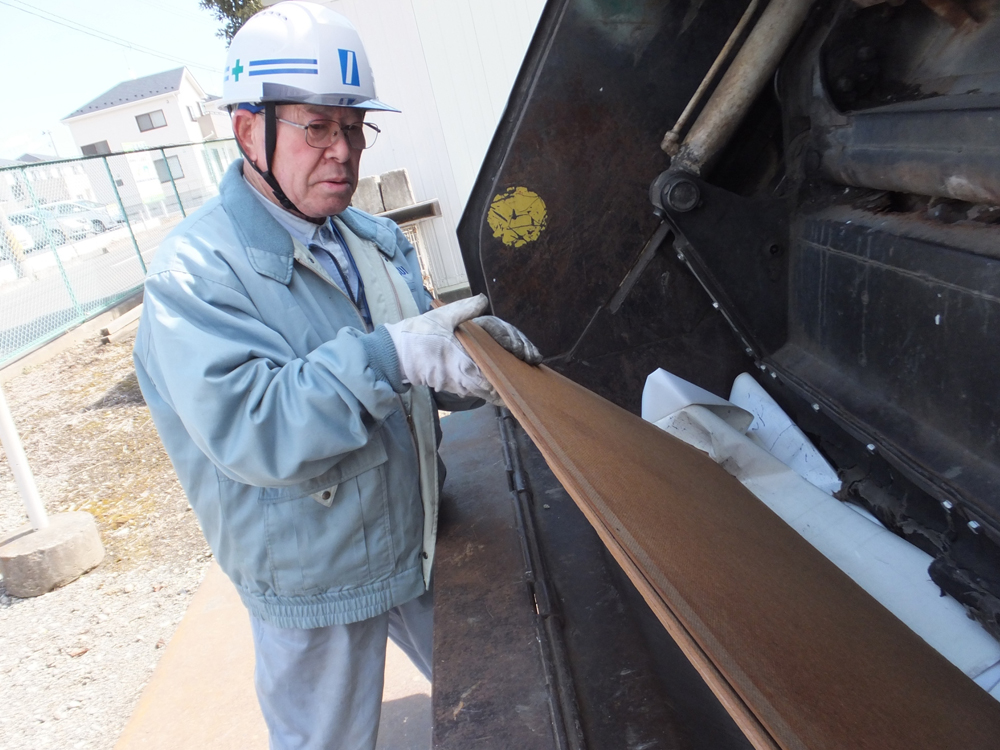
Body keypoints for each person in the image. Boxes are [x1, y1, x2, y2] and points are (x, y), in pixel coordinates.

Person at [132, 3, 540, 748]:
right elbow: (253, 428)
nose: (343, 152)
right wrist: (394, 356)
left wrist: (471, 360)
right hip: (312, 577)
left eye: (353, 128)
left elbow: (415, 367)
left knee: (503, 706)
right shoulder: (194, 275)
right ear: (248, 131)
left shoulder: (368, 240)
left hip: (415, 534)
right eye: (316, 127)